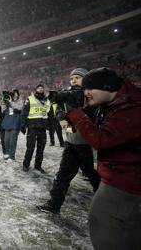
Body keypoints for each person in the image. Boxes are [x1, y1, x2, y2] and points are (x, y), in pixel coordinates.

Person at [66, 67, 141, 249]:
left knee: (105, 225)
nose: (86, 93)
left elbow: (101, 139)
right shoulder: (115, 104)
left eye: (89, 89)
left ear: (107, 87)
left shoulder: (133, 109)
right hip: (120, 175)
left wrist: (77, 113)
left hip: (126, 181)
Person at [36, 68, 100, 214]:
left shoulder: (90, 95)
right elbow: (58, 107)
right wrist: (61, 117)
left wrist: (57, 95)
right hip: (72, 142)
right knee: (62, 175)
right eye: (72, 79)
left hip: (87, 144)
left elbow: (73, 97)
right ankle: (54, 204)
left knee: (95, 177)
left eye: (77, 77)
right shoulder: (70, 93)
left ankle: (106, 205)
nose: (73, 81)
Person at [21, 84, 53, 173]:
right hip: (32, 127)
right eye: (39, 88)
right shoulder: (30, 99)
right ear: (36, 89)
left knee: (41, 148)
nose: (41, 89)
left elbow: (50, 114)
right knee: (30, 147)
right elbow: (24, 112)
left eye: (42, 88)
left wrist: (51, 126)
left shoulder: (47, 101)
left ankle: (38, 166)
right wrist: (23, 124)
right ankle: (26, 165)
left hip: (42, 127)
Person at [1, 89, 23, 161]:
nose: (14, 94)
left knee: (12, 141)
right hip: (7, 123)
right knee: (6, 140)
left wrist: (11, 103)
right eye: (13, 93)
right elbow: (3, 111)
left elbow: (20, 108)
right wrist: (3, 103)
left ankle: (12, 156)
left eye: (16, 93)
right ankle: (7, 154)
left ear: (18, 94)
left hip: (15, 123)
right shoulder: (8, 101)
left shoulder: (20, 101)